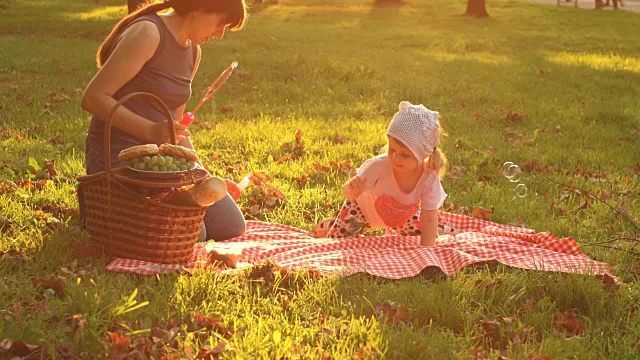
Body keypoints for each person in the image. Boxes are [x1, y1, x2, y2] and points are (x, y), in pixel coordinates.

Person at [80, 0, 248, 241]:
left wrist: (201, 174)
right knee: (192, 233)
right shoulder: (149, 33)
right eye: (221, 23)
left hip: (159, 166)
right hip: (117, 157)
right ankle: (104, 213)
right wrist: (150, 130)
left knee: (230, 225)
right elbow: (93, 98)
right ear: (199, 8)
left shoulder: (193, 51)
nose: (220, 34)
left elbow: (176, 127)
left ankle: (147, 212)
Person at [320, 101, 456, 246]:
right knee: (334, 244)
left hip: (402, 216)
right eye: (392, 150)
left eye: (404, 155)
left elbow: (429, 217)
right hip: (361, 212)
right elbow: (349, 194)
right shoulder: (378, 166)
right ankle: (329, 226)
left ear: (421, 155)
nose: (395, 158)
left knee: (431, 236)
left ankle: (442, 229)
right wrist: (351, 190)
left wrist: (426, 251)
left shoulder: (428, 179)